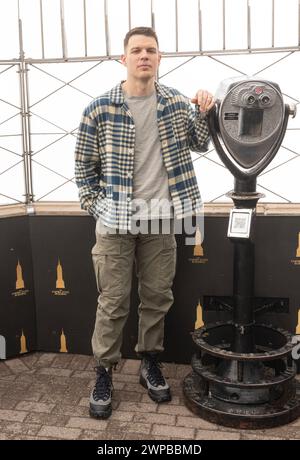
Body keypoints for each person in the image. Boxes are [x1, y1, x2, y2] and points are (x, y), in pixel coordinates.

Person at [75, 26, 214, 419]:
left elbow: (200, 142)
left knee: (156, 299)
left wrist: (204, 107)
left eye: (150, 50)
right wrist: (97, 206)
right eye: (136, 50)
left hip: (160, 220)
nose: (143, 56)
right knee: (113, 302)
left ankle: (149, 363)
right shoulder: (99, 108)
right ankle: (104, 371)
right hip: (115, 222)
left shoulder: (174, 102)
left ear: (159, 58)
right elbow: (84, 166)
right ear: (124, 59)